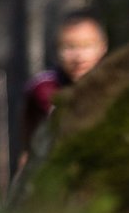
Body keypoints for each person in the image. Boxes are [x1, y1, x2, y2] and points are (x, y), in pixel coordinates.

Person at [17, 10, 110, 168]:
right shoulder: (43, 89)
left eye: (87, 46)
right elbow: (29, 145)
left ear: (103, 47)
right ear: (57, 50)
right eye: (69, 47)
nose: (78, 57)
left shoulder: (119, 84)